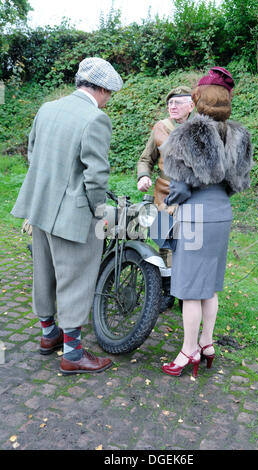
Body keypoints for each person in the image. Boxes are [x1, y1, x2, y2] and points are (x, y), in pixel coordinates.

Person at [11, 57, 123, 375]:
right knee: (75, 277)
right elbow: (96, 175)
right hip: (73, 214)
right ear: (101, 88)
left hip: (39, 206)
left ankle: (49, 335)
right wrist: (99, 213)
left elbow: (33, 152)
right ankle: (72, 354)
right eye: (109, 94)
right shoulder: (95, 118)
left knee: (43, 271)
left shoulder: (48, 108)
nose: (107, 100)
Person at [160, 67, 253, 377]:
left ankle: (188, 351)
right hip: (222, 213)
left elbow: (180, 188)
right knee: (209, 286)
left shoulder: (185, 134)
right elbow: (237, 183)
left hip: (196, 216)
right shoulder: (239, 134)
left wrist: (169, 203)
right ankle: (207, 343)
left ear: (198, 98)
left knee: (188, 288)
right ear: (227, 100)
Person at [137, 86, 195, 311]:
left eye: (178, 102)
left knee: (190, 243)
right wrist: (143, 176)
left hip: (192, 194)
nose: (173, 106)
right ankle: (168, 290)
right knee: (164, 242)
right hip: (165, 193)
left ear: (191, 106)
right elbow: (145, 159)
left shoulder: (199, 129)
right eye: (170, 103)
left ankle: (186, 293)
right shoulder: (161, 127)